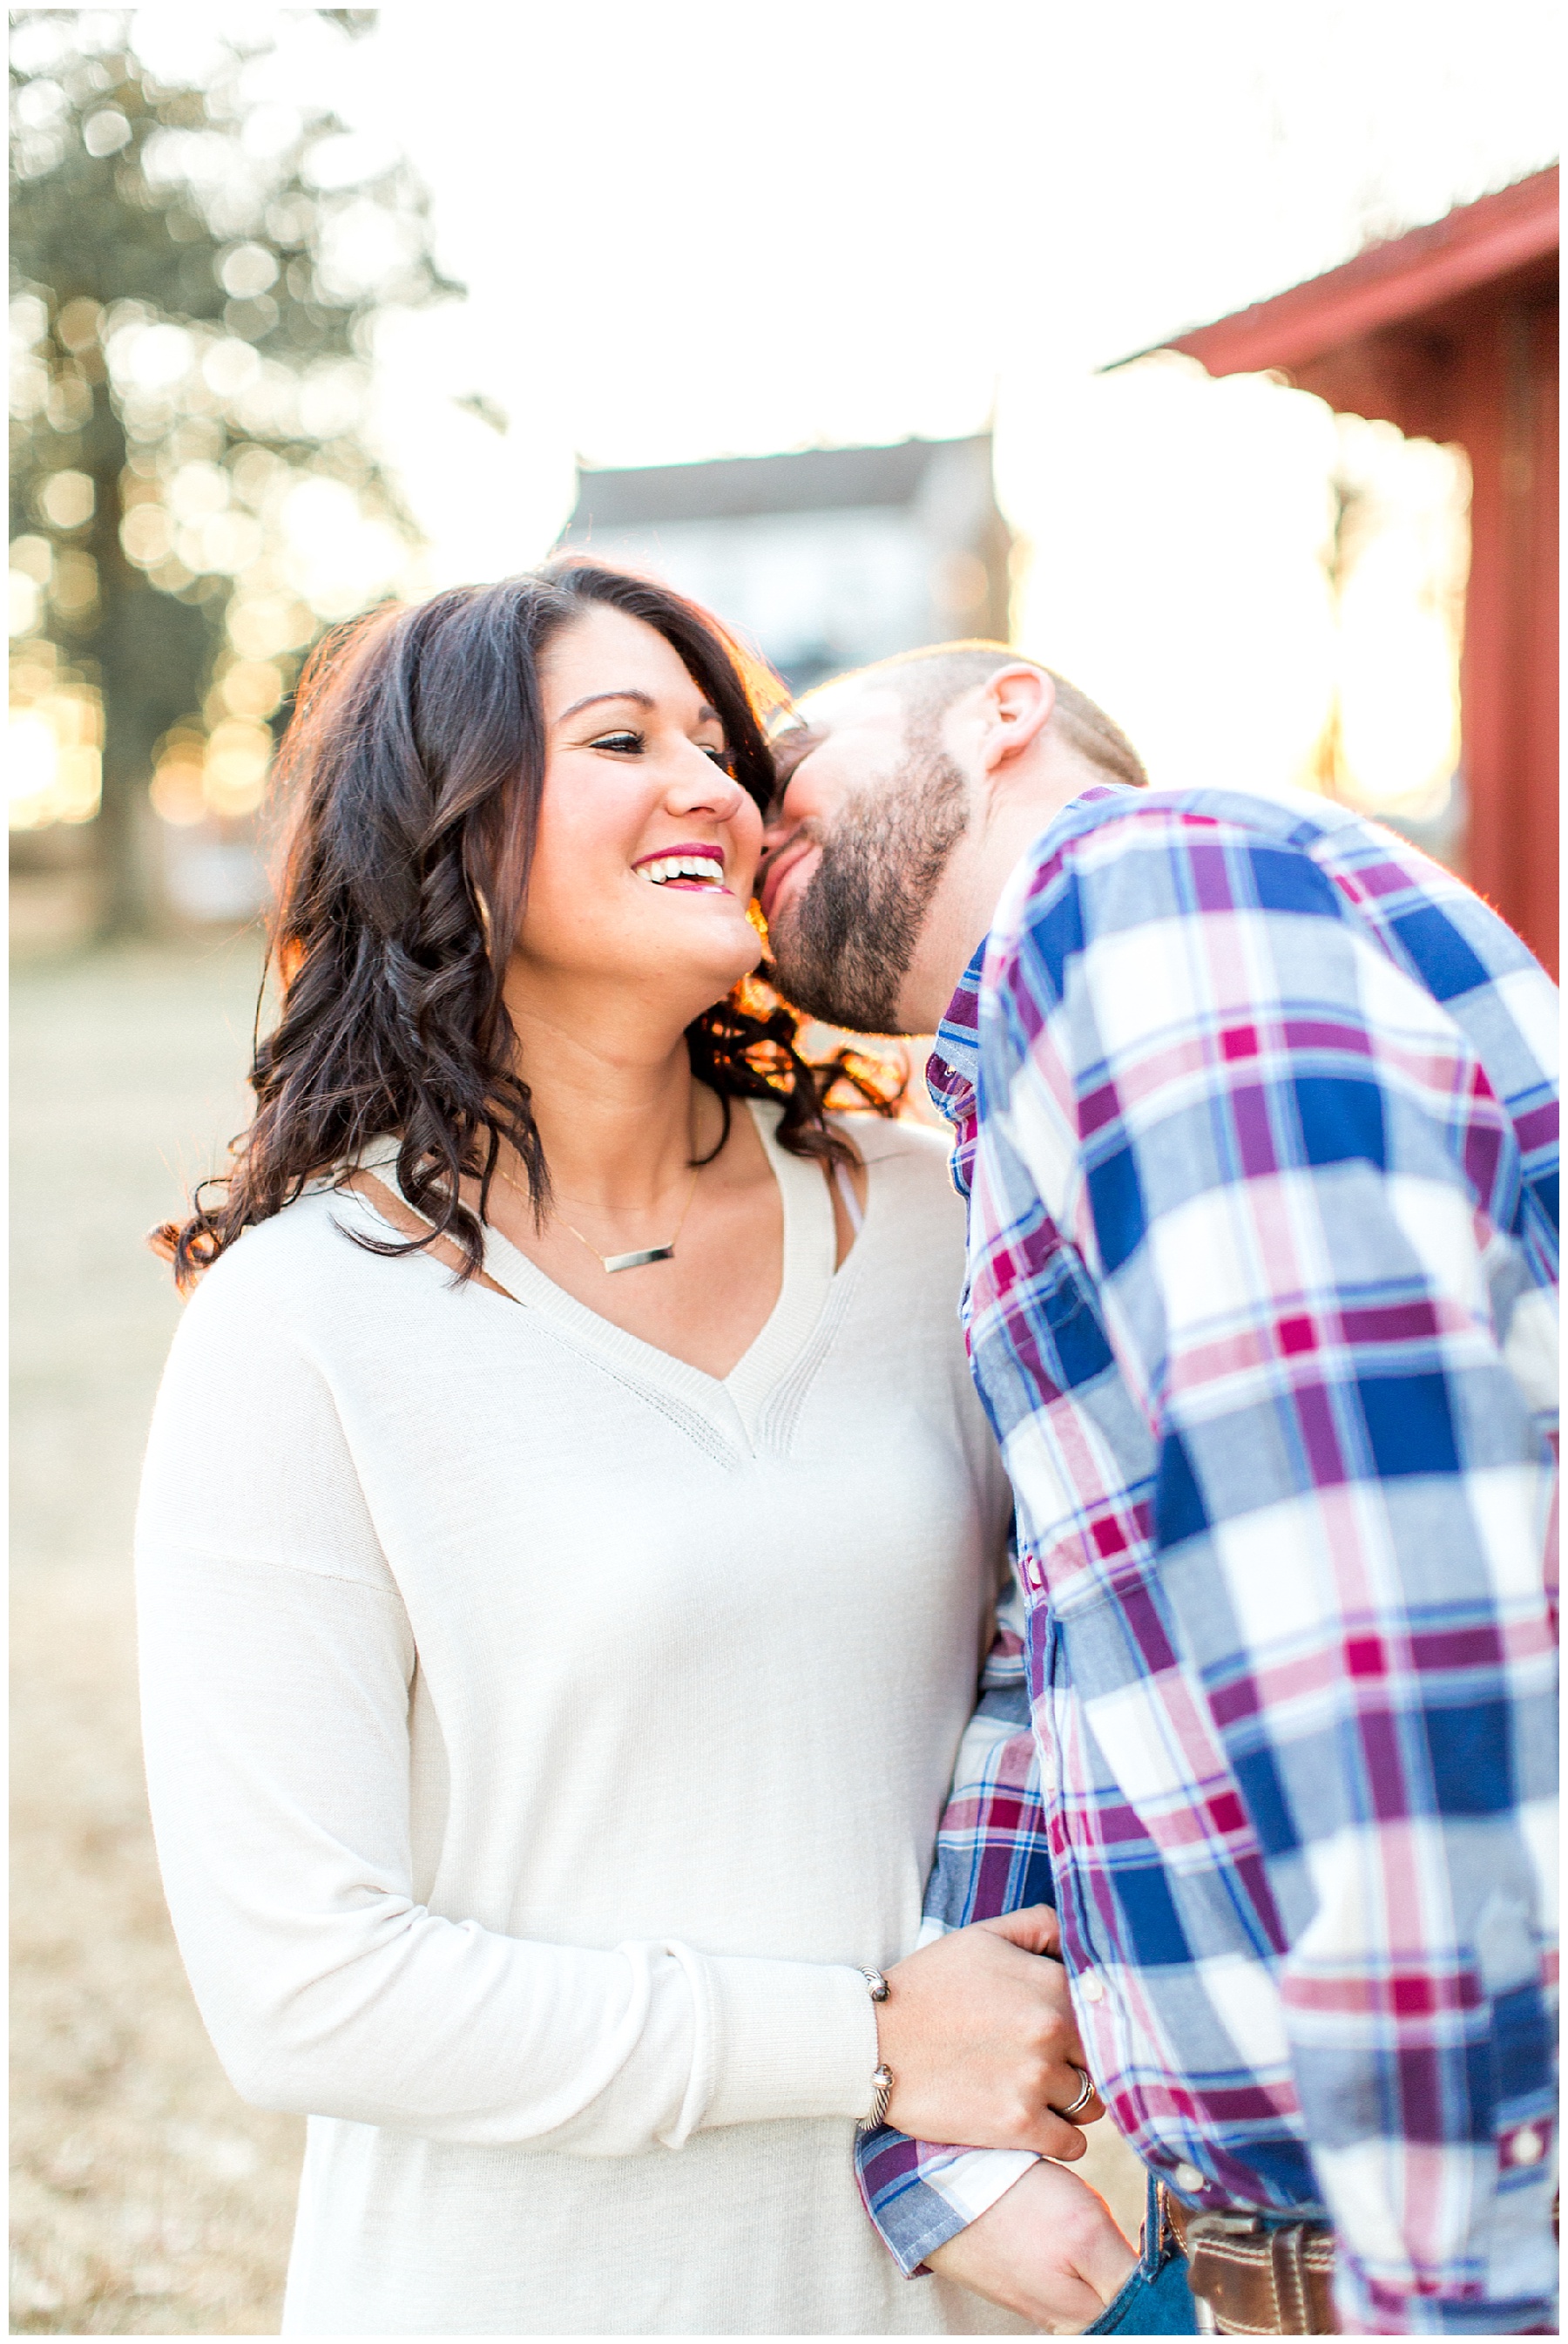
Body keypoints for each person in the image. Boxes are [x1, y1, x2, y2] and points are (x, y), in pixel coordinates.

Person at [134, 566, 1139, 2337]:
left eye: (723, 748)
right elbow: (304, 1987)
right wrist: (864, 2045)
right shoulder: (304, 1323)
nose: (718, 791)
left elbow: (1105, 1670)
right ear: (443, 827)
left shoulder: (934, 1217)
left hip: (943, 2294)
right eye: (622, 738)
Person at [760, 642, 1559, 2336]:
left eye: (792, 745)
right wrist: (941, 2158)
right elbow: (1072, 1630)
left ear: (1004, 709)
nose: (745, 802)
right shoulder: (1042, 1057)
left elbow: (1378, 1602)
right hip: (1295, 2250)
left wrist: (1458, 2277)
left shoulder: (1144, 895)